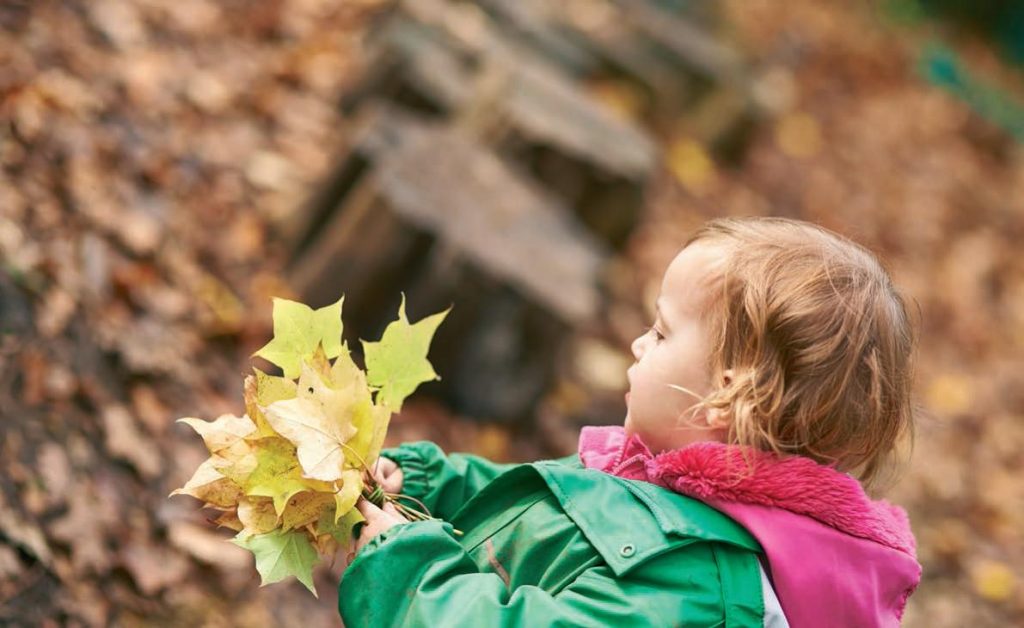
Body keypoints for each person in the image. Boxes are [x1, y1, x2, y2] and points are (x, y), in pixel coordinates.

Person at [337, 217, 922, 627]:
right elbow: (539, 524)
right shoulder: (660, 484)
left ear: (727, 392)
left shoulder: (697, 589)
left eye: (663, 332)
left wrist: (408, 568)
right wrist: (426, 485)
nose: (640, 344)